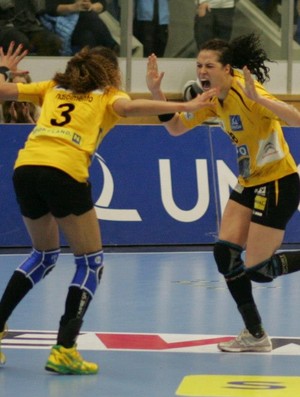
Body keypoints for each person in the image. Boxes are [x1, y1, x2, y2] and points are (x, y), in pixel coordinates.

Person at [0, 42, 216, 374]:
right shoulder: (108, 95)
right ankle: (64, 349)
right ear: (111, 72)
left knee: (43, 256)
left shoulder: (52, 88)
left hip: (26, 167)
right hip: (65, 171)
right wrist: (185, 103)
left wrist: (4, 69)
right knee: (90, 263)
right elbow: (130, 109)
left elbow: (3, 91)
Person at [146, 33, 300, 352]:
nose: (202, 71)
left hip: (277, 182)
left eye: (209, 65)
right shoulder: (214, 100)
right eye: (199, 65)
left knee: (259, 271)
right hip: (248, 182)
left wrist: (260, 100)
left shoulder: (249, 92)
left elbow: (296, 119)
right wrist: (156, 92)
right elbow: (176, 128)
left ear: (227, 68)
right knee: (224, 254)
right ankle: (255, 334)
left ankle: (255, 333)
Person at [39, 0, 119, 55]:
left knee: (87, 37)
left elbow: (102, 3)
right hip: (64, 22)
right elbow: (50, 8)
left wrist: (92, 6)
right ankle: (111, 46)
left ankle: (91, 70)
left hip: (86, 27)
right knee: (89, 15)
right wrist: (74, 7)